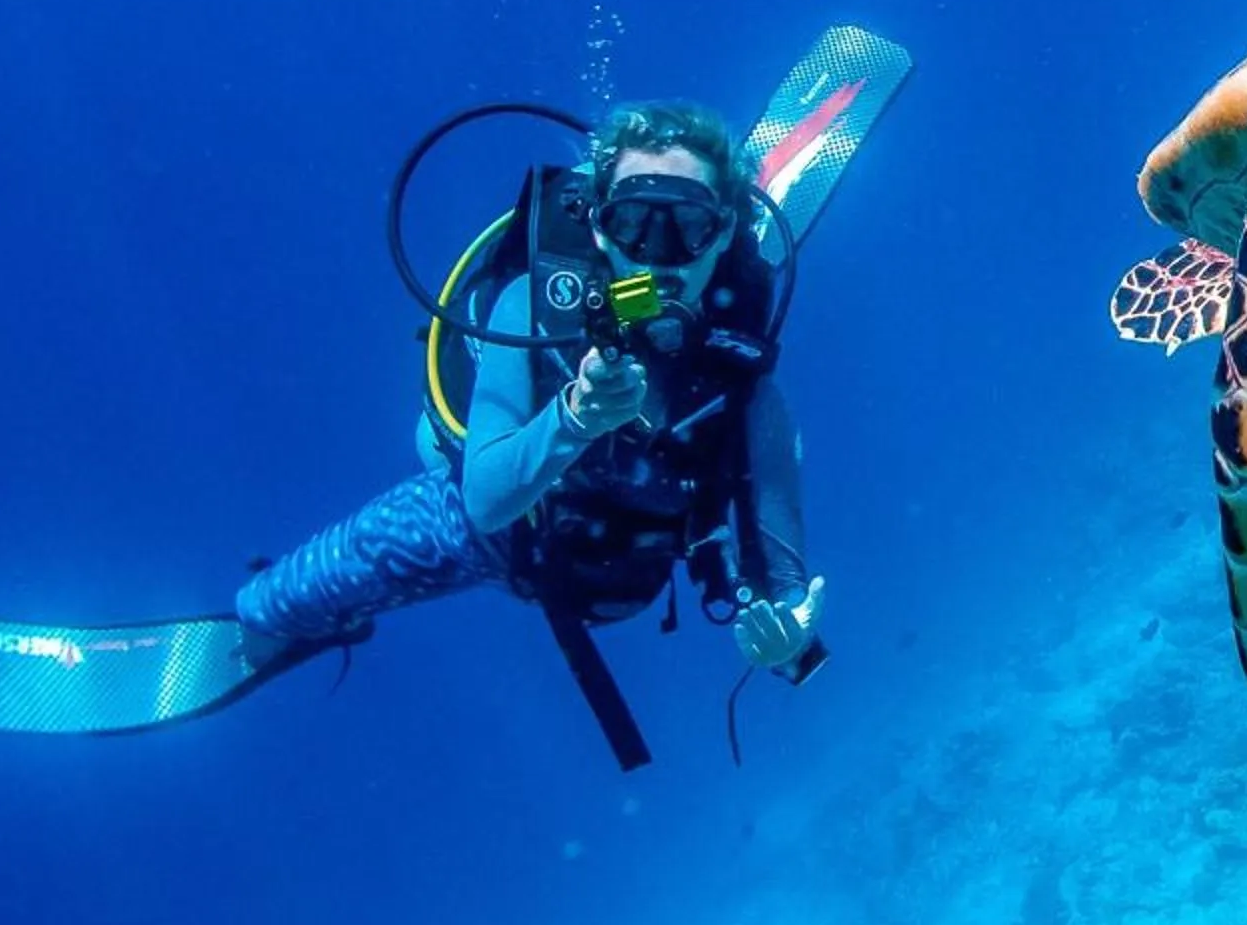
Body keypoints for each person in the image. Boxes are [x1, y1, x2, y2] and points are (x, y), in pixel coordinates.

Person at [236, 99, 828, 754]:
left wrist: (793, 643)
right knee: (263, 611)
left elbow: (784, 585)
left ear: (722, 235)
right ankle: (291, 627)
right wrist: (574, 419)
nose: (660, 259)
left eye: (688, 225)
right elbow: (484, 502)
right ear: (600, 229)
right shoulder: (539, 307)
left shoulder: (742, 383)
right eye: (634, 222)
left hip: (628, 576)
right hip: (497, 537)